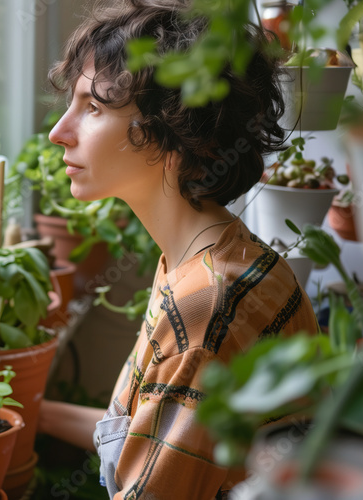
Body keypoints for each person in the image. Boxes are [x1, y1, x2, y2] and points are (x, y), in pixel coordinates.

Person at [36, 0, 320, 498]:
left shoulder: (206, 307)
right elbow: (147, 434)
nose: (60, 132)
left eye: (93, 107)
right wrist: (29, 411)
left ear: (170, 131)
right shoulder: (209, 261)